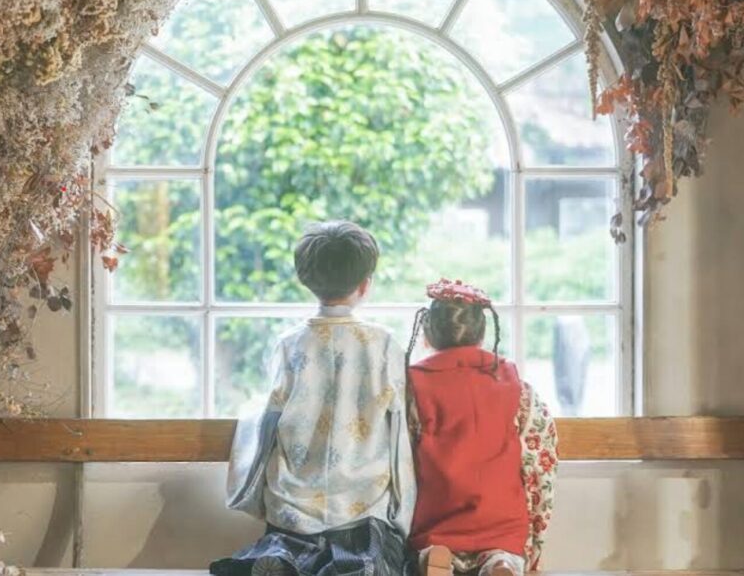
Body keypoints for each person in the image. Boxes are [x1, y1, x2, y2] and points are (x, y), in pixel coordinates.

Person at [211, 220, 417, 576]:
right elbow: (399, 430)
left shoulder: (289, 344)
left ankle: (286, 559)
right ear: (365, 284)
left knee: (286, 555)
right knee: (368, 562)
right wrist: (404, 512)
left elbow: (266, 420)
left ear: (305, 279)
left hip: (294, 510)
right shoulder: (383, 344)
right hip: (363, 509)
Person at [405, 279, 558, 576]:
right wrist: (535, 538)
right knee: (506, 551)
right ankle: (500, 562)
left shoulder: (412, 387)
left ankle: (435, 558)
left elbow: (399, 461)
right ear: (483, 332)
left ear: (428, 332)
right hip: (502, 524)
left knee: (424, 553)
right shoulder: (517, 387)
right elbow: (540, 461)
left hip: (436, 520)